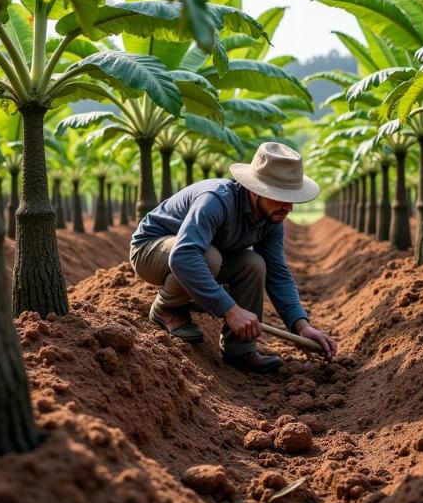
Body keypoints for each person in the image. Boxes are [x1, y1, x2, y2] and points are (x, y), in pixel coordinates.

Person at [129, 141, 337, 374]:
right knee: (208, 257)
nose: (288, 207)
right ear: (256, 190)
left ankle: (240, 349)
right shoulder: (216, 200)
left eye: (292, 198)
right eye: (280, 196)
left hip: (198, 255)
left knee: (254, 264)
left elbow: (277, 272)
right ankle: (165, 310)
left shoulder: (272, 217)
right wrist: (230, 310)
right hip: (150, 251)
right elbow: (183, 255)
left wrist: (301, 325)